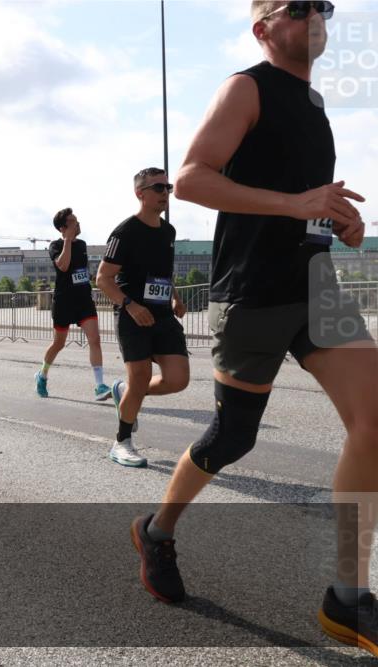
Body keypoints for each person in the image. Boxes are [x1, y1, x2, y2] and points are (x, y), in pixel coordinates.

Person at [129, 1, 376, 655]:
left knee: (374, 418)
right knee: (232, 435)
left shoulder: (316, 106)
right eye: (299, 7)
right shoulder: (246, 88)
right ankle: (157, 529)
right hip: (254, 293)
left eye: (323, 6)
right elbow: (189, 178)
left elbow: (303, 204)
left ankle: (347, 599)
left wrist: (336, 221)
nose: (316, 16)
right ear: (265, 28)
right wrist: (295, 202)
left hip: (315, 285)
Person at [97, 168, 189, 467]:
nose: (166, 193)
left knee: (178, 380)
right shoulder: (125, 232)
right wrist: (131, 306)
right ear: (141, 194)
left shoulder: (168, 231)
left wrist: (175, 295)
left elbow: (163, 271)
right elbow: (103, 279)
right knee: (141, 377)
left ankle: (125, 392)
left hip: (162, 314)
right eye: (159, 188)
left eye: (168, 187)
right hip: (133, 315)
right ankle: (122, 442)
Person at [35, 208, 112, 401]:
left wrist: (96, 279)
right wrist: (67, 241)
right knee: (59, 343)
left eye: (78, 221)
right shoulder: (55, 245)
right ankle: (42, 375)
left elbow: (80, 270)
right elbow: (63, 266)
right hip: (64, 301)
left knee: (95, 340)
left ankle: (100, 385)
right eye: (73, 222)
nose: (78, 224)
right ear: (63, 227)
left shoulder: (83, 244)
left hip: (84, 300)